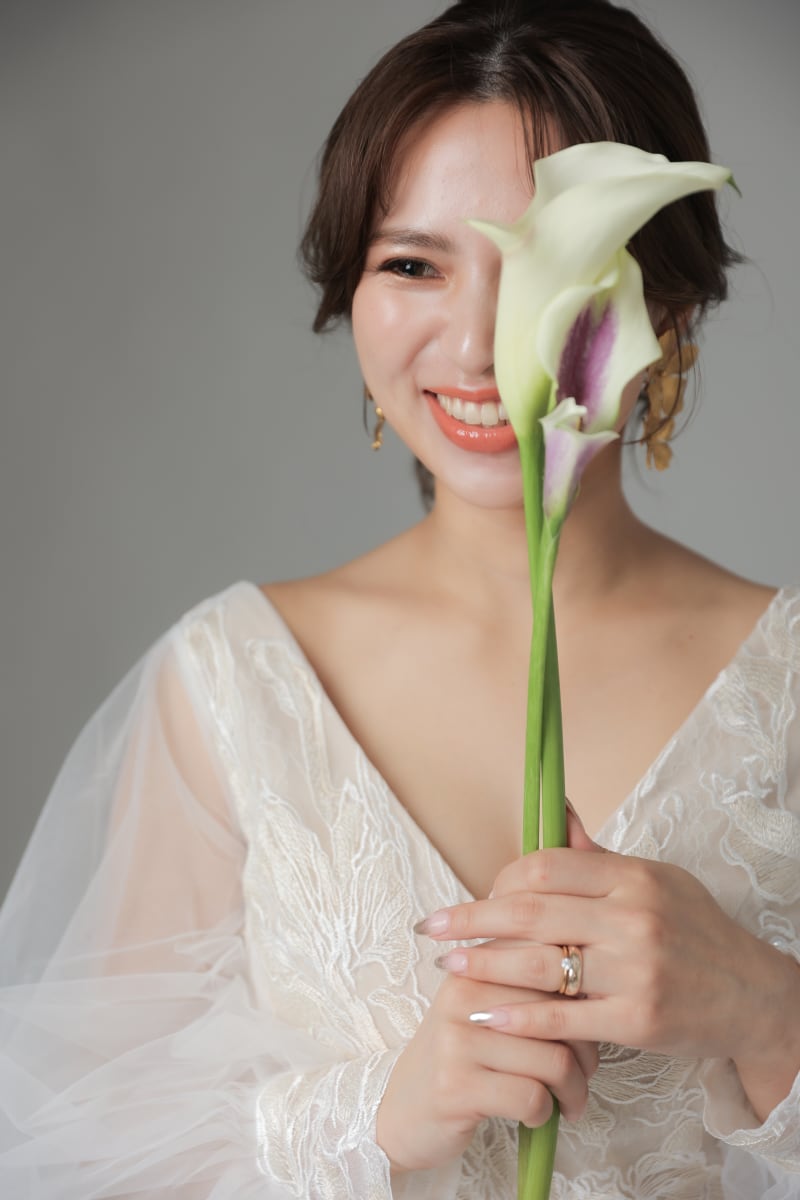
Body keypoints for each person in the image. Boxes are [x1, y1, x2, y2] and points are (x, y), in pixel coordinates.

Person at [1, 0, 799, 1196]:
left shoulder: (784, 682)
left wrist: (763, 1007)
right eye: (413, 265)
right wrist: (373, 1116)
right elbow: (82, 1158)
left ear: (668, 306)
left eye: (545, 270)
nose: (475, 345)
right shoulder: (234, 682)